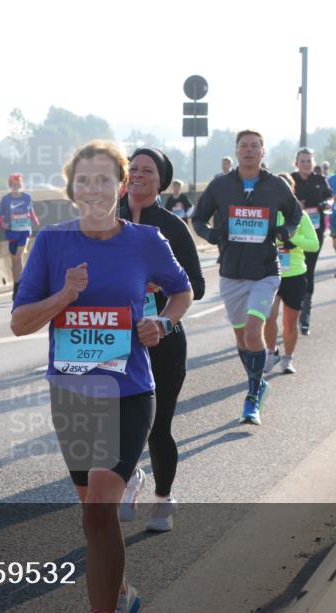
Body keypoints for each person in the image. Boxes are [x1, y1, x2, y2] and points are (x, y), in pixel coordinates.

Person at [11, 140, 192, 613]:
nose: (93, 189)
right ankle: (122, 596)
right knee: (93, 515)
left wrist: (162, 321)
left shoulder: (146, 241)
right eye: (83, 180)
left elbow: (182, 291)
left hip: (130, 392)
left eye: (103, 179)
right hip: (71, 394)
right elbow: (20, 322)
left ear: (121, 185)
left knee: (98, 511)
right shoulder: (50, 244)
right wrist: (64, 296)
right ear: (71, 189)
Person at [118, 149, 205, 533]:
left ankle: (163, 498)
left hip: (162, 339)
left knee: (158, 425)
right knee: (115, 420)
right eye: (132, 168)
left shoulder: (171, 225)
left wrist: (158, 286)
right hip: (114, 337)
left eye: (146, 170)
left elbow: (196, 287)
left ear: (161, 181)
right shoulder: (107, 217)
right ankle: (130, 475)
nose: (137, 175)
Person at [192, 129, 302, 425]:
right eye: (244, 146)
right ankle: (258, 381)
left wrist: (285, 232)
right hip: (231, 272)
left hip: (265, 270)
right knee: (242, 337)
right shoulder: (220, 186)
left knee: (255, 331)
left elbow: (295, 215)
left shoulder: (276, 186)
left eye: (255, 146)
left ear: (263, 152)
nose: (249, 150)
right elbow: (198, 218)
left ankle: (252, 394)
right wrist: (211, 235)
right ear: (237, 151)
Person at [264, 174, 319, 374]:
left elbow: (314, 245)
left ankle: (288, 358)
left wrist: (294, 238)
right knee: (268, 317)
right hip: (270, 273)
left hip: (295, 274)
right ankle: (271, 353)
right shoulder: (267, 214)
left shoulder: (300, 216)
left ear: (291, 191)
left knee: (290, 322)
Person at [290, 148, 332, 335]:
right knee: (292, 270)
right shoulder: (291, 180)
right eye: (302, 161)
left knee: (310, 268)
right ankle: (292, 308)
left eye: (308, 161)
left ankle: (305, 311)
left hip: (314, 231)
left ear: (313, 163)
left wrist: (326, 204)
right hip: (292, 232)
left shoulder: (319, 180)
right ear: (296, 162)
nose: (305, 164)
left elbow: (329, 197)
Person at [0, 173, 40, 300]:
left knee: (19, 255)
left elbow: (30, 210)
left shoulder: (27, 197)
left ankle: (21, 286)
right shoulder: (5, 199)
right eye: (13, 185)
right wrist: (3, 223)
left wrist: (34, 218)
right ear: (10, 186)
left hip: (24, 231)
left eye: (18, 184)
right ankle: (16, 286)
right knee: (14, 260)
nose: (16, 187)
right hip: (11, 232)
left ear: (21, 185)